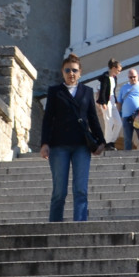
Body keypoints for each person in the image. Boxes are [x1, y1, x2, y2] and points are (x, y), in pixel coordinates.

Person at [40, 54, 106, 222]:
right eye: (67, 70)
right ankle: (54, 227)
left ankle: (80, 226)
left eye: (74, 70)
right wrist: (45, 143)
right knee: (59, 192)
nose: (71, 73)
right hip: (58, 145)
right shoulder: (55, 91)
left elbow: (93, 118)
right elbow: (48, 119)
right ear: (62, 72)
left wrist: (101, 141)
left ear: (80, 73)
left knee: (81, 190)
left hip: (81, 146)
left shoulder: (87, 91)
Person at [114, 67, 139, 151]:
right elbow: (119, 102)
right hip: (126, 117)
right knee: (127, 138)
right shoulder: (124, 87)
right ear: (128, 78)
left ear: (137, 76)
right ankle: (127, 156)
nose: (133, 79)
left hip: (138, 116)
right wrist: (117, 115)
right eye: (130, 77)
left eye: (134, 76)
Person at [97, 59, 124, 149]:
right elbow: (103, 90)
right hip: (106, 101)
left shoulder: (114, 78)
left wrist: (115, 101)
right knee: (109, 122)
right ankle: (107, 143)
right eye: (118, 70)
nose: (119, 72)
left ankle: (111, 141)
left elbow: (113, 90)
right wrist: (103, 102)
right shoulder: (106, 77)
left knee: (118, 123)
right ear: (113, 68)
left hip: (112, 101)